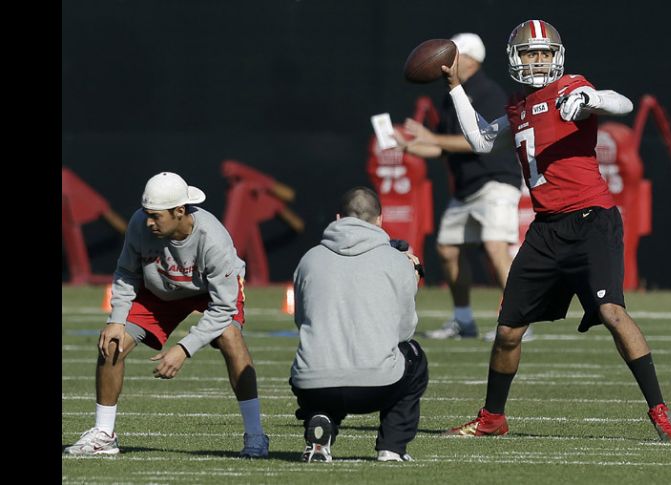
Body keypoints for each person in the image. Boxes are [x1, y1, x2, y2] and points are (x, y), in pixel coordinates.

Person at [440, 20, 671, 442]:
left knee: (612, 312)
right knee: (507, 332)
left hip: (592, 219)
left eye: (545, 53)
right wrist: (454, 89)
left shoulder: (573, 88)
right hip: (547, 228)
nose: (539, 60)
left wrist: (591, 97)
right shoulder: (517, 106)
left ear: (558, 56)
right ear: (516, 59)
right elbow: (481, 141)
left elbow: (621, 103)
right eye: (531, 53)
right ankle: (492, 418)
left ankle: (660, 412)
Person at [64, 172, 270, 457]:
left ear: (180, 211)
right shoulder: (139, 223)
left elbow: (223, 308)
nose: (148, 221)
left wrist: (183, 349)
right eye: (147, 214)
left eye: (156, 216)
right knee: (112, 342)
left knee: (230, 337)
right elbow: (126, 272)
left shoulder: (213, 238)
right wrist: (115, 320)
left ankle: (256, 435)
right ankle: (104, 433)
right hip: (160, 290)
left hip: (207, 291)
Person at [394, 33, 532, 342]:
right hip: (467, 187)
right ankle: (463, 320)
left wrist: (430, 138)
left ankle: (522, 320)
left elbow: (478, 142)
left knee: (496, 248)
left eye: (454, 56)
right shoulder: (451, 95)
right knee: (447, 249)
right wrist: (410, 146)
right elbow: (443, 147)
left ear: (470, 59)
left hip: (495, 181)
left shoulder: (488, 92)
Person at [290, 187, 429, 462]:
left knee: (316, 354)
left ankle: (320, 423)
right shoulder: (395, 260)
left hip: (316, 384)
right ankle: (392, 446)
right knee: (415, 356)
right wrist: (411, 279)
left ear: (339, 218)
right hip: (378, 385)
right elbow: (405, 331)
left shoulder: (309, 259)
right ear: (380, 220)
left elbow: (302, 322)